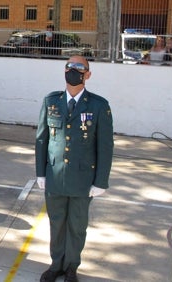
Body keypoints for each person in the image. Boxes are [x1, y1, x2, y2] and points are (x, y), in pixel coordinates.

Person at [35, 55, 113, 282]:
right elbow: (42, 140)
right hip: (55, 177)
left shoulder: (99, 105)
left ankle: (71, 267)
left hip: (82, 179)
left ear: (87, 74)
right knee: (56, 223)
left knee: (77, 226)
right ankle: (56, 264)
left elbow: (105, 146)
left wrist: (101, 181)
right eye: (69, 66)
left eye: (79, 67)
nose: (73, 70)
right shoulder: (51, 101)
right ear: (64, 71)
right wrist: (41, 172)